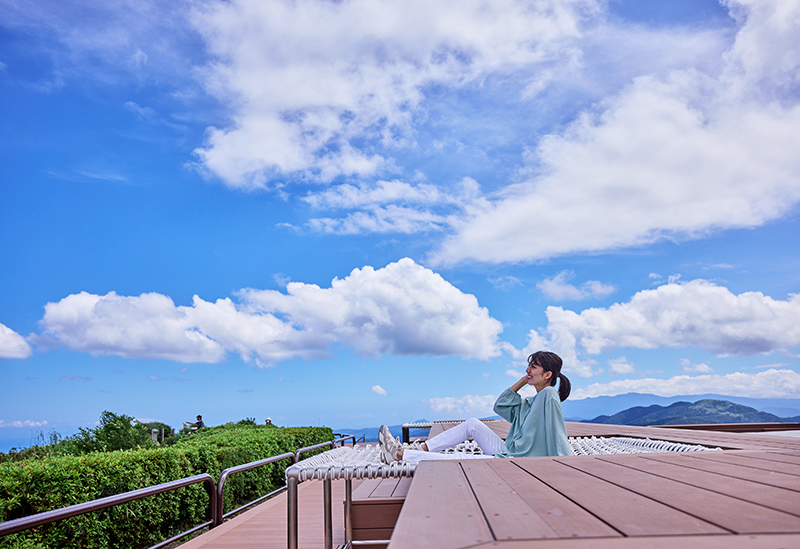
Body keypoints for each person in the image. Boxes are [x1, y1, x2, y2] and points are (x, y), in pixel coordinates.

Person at [379, 351, 572, 464]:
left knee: (461, 458)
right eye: (528, 366)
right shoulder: (531, 402)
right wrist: (523, 381)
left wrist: (567, 463)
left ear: (547, 375)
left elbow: (558, 432)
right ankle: (421, 448)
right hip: (510, 452)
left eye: (533, 367)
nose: (528, 370)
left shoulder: (548, 395)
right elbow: (500, 405)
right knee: (472, 423)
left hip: (518, 461)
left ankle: (397, 454)